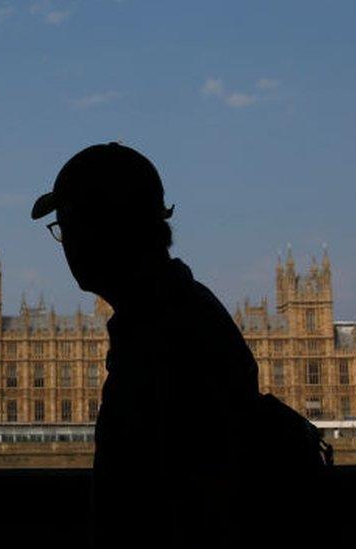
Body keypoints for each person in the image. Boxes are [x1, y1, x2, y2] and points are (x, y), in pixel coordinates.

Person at [31, 142, 264, 548]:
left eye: (67, 226)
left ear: (103, 227)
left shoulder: (165, 335)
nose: (66, 244)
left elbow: (161, 508)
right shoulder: (174, 310)